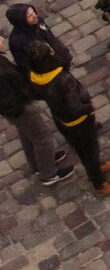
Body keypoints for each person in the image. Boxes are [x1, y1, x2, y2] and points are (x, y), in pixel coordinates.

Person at [19, 41, 110, 196]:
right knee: (90, 151)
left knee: (81, 149)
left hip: (61, 118)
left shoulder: (35, 77)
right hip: (80, 121)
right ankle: (99, 184)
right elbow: (76, 107)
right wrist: (88, 108)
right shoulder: (62, 79)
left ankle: (94, 169)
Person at [0, 53, 73, 189]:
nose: (1, 39)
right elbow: (6, 100)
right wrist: (23, 108)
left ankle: (39, 163)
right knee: (43, 137)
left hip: (19, 107)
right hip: (20, 109)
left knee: (28, 134)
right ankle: (48, 173)